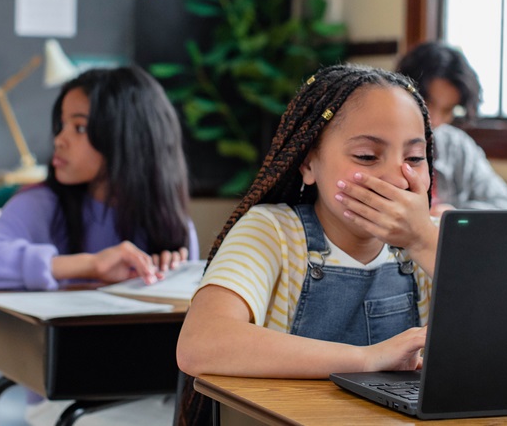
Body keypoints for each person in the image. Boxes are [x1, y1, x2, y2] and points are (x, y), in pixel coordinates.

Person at [176, 64, 439, 422]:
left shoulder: (434, 240)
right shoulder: (272, 232)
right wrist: (367, 359)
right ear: (308, 163)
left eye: (414, 159)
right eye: (366, 156)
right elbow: (200, 343)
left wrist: (422, 240)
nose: (397, 177)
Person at [0, 65, 200, 425]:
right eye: (62, 125)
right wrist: (88, 266)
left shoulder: (174, 227)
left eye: (79, 128)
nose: (60, 139)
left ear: (126, 137)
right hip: (63, 401)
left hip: (151, 395)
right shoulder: (40, 204)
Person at [396, 41, 507, 215]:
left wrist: (455, 215)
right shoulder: (378, 143)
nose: (433, 120)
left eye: (447, 110)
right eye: (426, 102)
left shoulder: (455, 145)